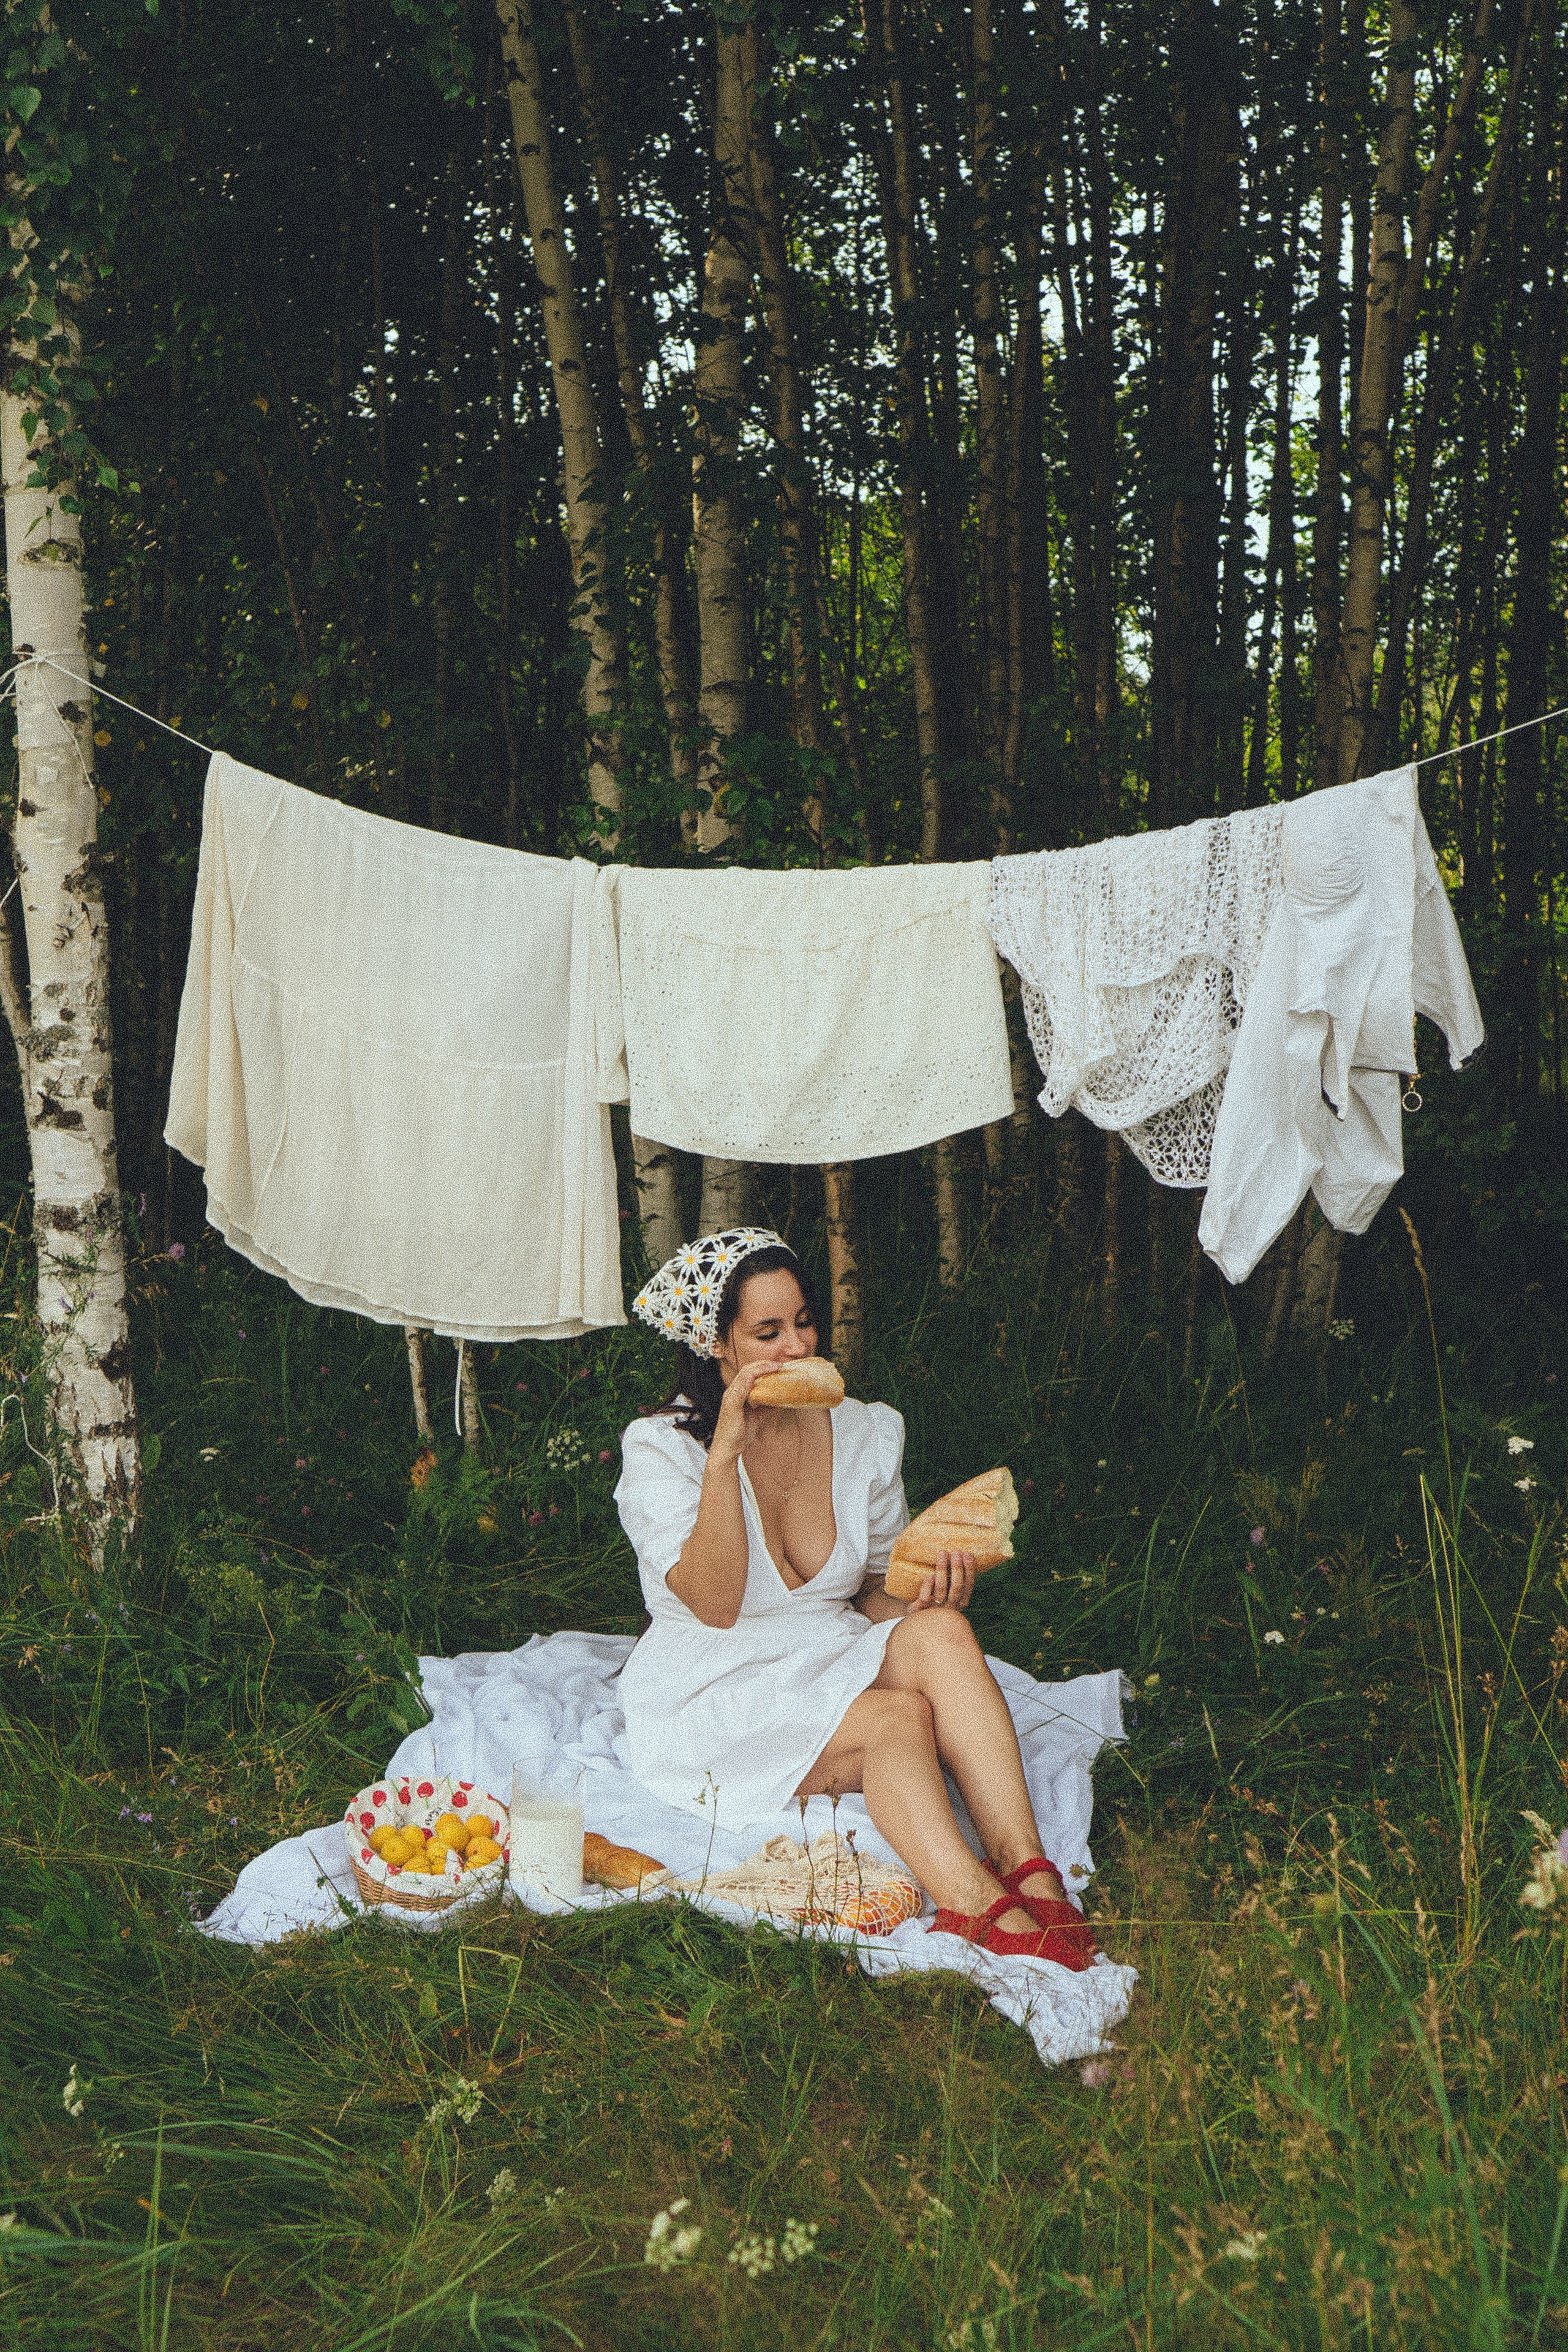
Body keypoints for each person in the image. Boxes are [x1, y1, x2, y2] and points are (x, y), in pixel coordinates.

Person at [614, 1227, 1098, 1965]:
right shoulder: (661, 1450)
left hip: (823, 1650)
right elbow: (713, 1604)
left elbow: (870, 1593)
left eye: (804, 1322)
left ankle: (1029, 1872)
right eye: (766, 1332)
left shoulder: (862, 1429)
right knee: (896, 1719)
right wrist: (726, 1456)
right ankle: (974, 1907)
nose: (796, 1348)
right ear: (718, 1344)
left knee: (943, 1634)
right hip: (715, 1685)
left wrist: (923, 1596)